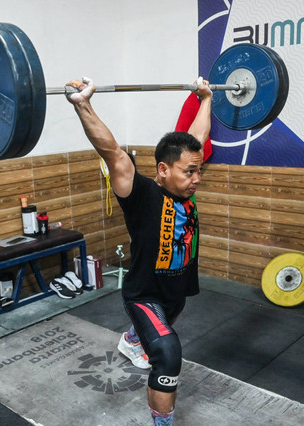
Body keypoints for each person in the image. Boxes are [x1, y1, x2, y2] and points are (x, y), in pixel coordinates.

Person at [66, 76, 212, 425]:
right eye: (190, 171)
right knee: (167, 352)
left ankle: (133, 339)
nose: (197, 178)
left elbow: (198, 139)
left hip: (176, 294)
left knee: (158, 331)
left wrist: (206, 98)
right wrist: (83, 103)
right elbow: (112, 152)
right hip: (145, 294)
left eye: (199, 170)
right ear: (163, 169)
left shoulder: (184, 189)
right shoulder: (142, 193)